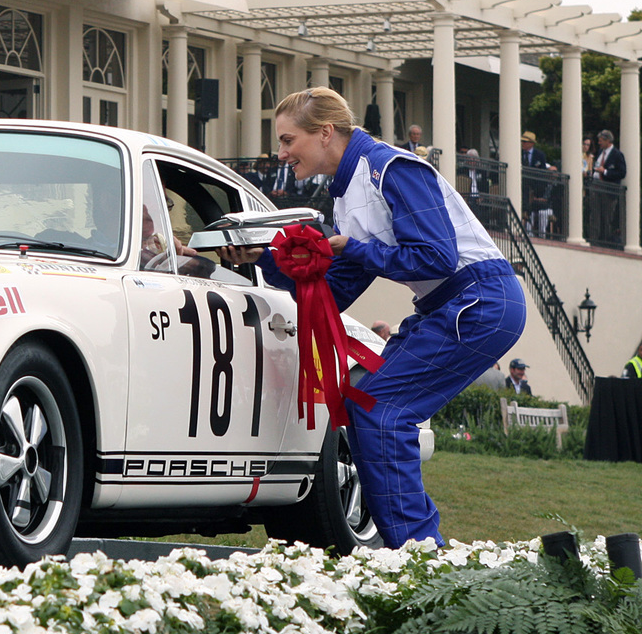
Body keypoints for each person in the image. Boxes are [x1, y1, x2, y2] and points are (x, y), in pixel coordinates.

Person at [220, 87, 524, 549]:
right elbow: (335, 291)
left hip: (479, 300)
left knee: (383, 411)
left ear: (324, 133)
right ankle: (409, 549)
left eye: (287, 140)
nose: (281, 153)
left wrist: (355, 248)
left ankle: (419, 555)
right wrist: (259, 258)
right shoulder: (348, 193)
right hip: (460, 304)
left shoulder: (391, 168)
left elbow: (437, 258)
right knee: (365, 403)